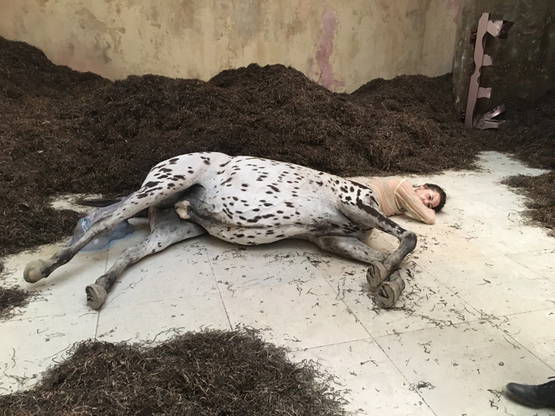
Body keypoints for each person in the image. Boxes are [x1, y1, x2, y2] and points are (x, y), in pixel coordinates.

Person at [366, 178, 447, 224]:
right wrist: (428, 211)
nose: (426, 203)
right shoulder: (404, 186)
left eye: (429, 206)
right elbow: (430, 218)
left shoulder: (406, 205)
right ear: (423, 187)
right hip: (365, 196)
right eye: (429, 197)